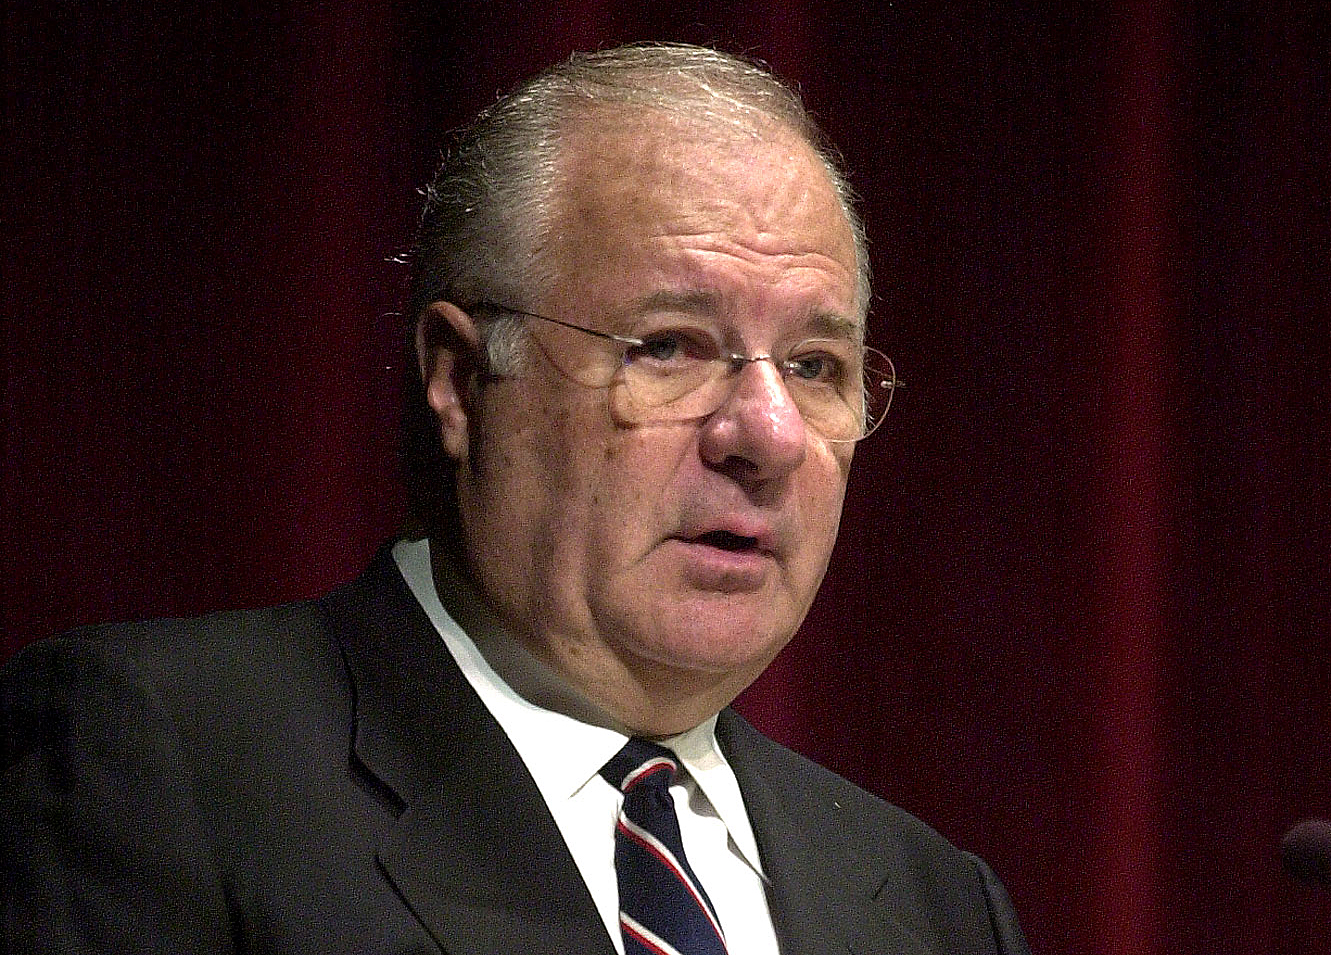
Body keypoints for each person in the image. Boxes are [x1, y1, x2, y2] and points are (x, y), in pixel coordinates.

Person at [1, 43, 1030, 954]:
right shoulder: (167, 760)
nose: (764, 434)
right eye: (666, 347)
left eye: (814, 365)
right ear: (457, 379)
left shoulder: (936, 905)